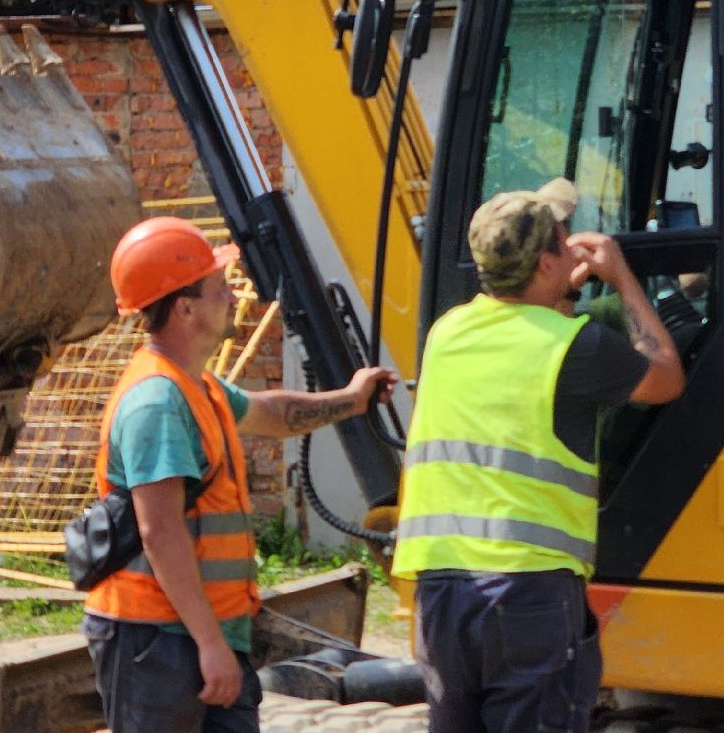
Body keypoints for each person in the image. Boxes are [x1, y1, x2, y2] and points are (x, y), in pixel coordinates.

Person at [393, 178, 687, 732]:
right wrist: (622, 277)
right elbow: (666, 377)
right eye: (562, 240)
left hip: (441, 594)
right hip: (527, 592)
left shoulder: (445, 334)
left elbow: (517, 344)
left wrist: (559, 292)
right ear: (548, 265)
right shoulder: (575, 346)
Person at [84, 216, 396, 733]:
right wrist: (209, 644)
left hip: (195, 634)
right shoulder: (157, 401)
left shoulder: (196, 386)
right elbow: (158, 532)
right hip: (159, 641)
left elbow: (271, 413)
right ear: (184, 307)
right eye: (219, 287)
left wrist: (350, 399)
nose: (233, 296)